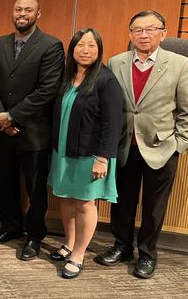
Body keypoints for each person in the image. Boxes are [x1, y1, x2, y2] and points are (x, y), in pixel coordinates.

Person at [96, 10, 188, 278]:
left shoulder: (180, 64)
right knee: (122, 202)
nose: (144, 34)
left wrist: (180, 145)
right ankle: (122, 246)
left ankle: (148, 255)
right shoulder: (116, 62)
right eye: (138, 30)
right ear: (130, 34)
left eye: (151, 29)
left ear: (163, 33)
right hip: (124, 147)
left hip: (162, 148)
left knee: (154, 207)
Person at [0, 0, 65, 260]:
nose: (22, 13)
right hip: (2, 131)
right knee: (4, 183)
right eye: (18, 8)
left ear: (38, 14)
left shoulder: (52, 46)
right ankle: (10, 227)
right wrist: (1, 117)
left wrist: (12, 116)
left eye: (28, 9)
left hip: (34, 133)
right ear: (13, 12)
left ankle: (34, 236)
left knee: (35, 190)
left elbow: (47, 90)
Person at [47, 28, 123, 279]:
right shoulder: (68, 76)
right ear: (72, 49)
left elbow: (113, 124)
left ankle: (79, 254)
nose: (85, 50)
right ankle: (69, 244)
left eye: (91, 45)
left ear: (99, 49)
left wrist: (103, 158)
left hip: (90, 155)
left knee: (84, 203)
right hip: (64, 151)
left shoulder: (106, 80)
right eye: (80, 45)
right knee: (66, 199)